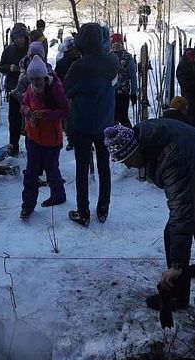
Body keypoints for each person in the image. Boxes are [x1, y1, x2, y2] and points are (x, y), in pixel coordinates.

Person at [103, 120, 195, 309]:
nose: (128, 167)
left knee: (174, 230)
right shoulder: (145, 136)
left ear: (134, 150)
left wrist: (177, 264)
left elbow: (181, 211)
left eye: (127, 161)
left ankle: (177, 296)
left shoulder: (171, 158)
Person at [64, 23, 119, 226]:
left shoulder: (79, 66)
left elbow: (66, 91)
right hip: (106, 123)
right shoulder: (113, 61)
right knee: (104, 167)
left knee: (81, 169)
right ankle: (103, 208)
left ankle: (83, 212)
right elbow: (115, 85)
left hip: (83, 124)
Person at [20, 56, 71, 219]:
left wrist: (45, 114)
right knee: (31, 173)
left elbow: (65, 110)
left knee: (52, 170)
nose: (35, 82)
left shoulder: (55, 89)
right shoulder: (30, 89)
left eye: (38, 79)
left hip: (51, 139)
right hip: (33, 137)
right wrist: (27, 111)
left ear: (44, 76)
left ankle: (58, 195)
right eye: (32, 79)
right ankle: (27, 206)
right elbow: (23, 103)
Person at [0, 23, 30, 156]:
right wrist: (9, 68)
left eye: (21, 37)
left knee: (30, 120)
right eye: (16, 37)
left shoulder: (31, 49)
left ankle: (32, 147)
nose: (19, 40)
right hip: (13, 89)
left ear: (25, 37)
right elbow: (0, 66)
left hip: (30, 91)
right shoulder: (8, 50)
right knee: (14, 120)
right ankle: (14, 145)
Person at [55, 36, 80, 151]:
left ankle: (80, 138)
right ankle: (71, 139)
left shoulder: (81, 61)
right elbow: (57, 78)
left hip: (80, 92)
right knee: (69, 117)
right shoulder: (61, 63)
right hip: (67, 93)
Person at [110, 33, 139, 128]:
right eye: (114, 44)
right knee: (113, 118)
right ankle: (114, 139)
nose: (116, 46)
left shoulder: (127, 57)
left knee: (123, 117)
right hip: (110, 93)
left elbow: (133, 76)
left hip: (123, 93)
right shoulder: (108, 56)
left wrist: (134, 93)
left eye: (118, 44)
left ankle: (129, 136)